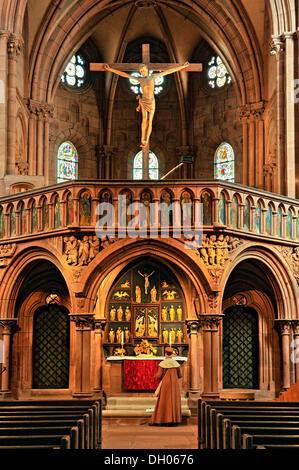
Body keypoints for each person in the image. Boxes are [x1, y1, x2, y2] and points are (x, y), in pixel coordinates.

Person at [104, 62, 189, 146]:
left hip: (151, 101)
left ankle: (147, 138)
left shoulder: (153, 77)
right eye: (141, 71)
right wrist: (110, 69)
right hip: (144, 101)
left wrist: (182, 66)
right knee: (144, 119)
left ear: (147, 70)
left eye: (143, 70)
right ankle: (142, 138)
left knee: (150, 120)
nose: (142, 72)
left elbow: (168, 71)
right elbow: (125, 75)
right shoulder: (140, 79)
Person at [150, 346, 182, 426]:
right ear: (172, 354)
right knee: (173, 401)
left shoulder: (163, 364)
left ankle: (162, 420)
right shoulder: (176, 364)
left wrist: (154, 376)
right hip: (174, 384)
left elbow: (159, 375)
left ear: (165, 353)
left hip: (166, 384)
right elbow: (180, 375)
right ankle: (173, 420)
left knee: (164, 401)